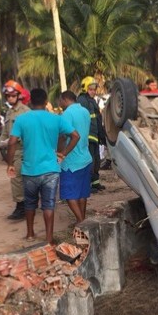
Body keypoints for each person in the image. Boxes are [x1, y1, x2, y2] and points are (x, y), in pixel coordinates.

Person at [7, 88, 80, 244]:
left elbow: (12, 142)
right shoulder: (57, 119)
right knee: (48, 205)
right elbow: (75, 136)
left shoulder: (21, 119)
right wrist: (64, 153)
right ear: (46, 101)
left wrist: (10, 164)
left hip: (29, 169)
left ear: (30, 101)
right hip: (51, 170)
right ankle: (48, 239)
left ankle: (30, 234)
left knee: (30, 203)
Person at [58, 90, 92, 226]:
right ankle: (81, 219)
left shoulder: (66, 114)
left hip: (71, 160)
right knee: (82, 193)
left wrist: (62, 152)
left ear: (64, 99)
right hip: (85, 156)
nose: (59, 104)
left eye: (59, 101)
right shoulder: (85, 111)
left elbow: (67, 135)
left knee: (69, 194)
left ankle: (81, 221)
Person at [0, 80, 30, 219]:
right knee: (17, 179)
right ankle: (23, 205)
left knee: (17, 179)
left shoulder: (25, 112)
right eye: (8, 96)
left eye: (12, 95)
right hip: (12, 150)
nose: (10, 98)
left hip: (22, 150)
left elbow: (27, 132)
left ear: (19, 95)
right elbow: (5, 132)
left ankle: (22, 207)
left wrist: (12, 140)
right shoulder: (9, 112)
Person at [77, 77, 106, 193]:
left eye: (94, 89)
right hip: (88, 136)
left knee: (96, 160)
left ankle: (95, 182)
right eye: (91, 89)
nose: (93, 91)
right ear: (85, 89)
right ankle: (87, 185)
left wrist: (101, 135)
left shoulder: (92, 100)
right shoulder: (82, 101)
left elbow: (97, 119)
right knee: (90, 161)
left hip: (94, 135)